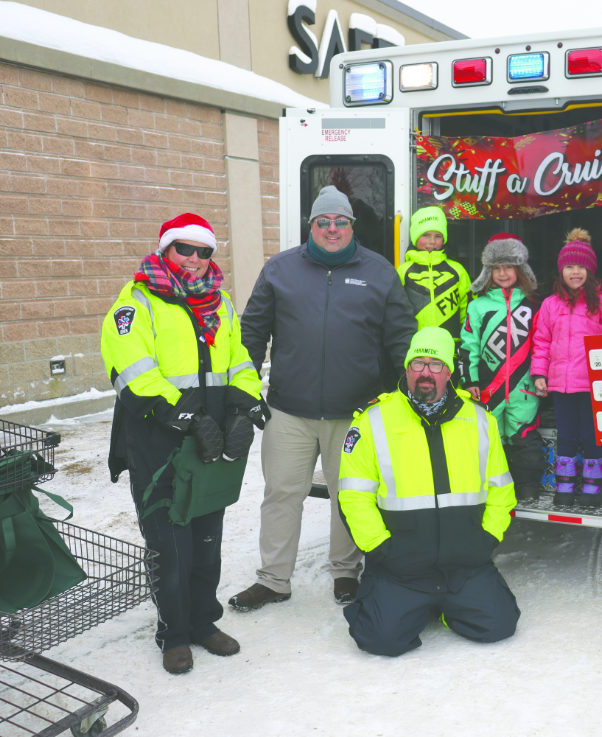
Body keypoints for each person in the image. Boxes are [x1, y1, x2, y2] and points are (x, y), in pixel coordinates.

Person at [231, 186, 417, 611]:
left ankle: (346, 572)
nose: (332, 229)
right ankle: (273, 579)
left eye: (340, 221)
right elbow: (252, 332)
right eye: (323, 221)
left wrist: (408, 391)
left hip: (356, 411)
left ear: (351, 225)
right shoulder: (279, 270)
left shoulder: (379, 271)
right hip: (288, 410)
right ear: (311, 225)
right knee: (281, 494)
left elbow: (401, 337)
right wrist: (243, 391)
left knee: (349, 494)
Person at [101, 213, 263, 674]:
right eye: (184, 248)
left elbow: (239, 360)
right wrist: (189, 417)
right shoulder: (137, 303)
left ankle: (203, 622)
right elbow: (132, 371)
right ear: (165, 249)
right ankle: (173, 633)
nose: (193, 258)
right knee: (170, 545)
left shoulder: (220, 303)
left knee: (207, 539)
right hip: (159, 443)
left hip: (211, 444)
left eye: (203, 251)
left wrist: (244, 407)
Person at [339, 327, 520, 656]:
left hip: (464, 564)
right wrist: (382, 549)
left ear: (448, 372)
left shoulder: (480, 419)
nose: (425, 372)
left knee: (499, 625)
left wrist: (487, 540)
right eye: (417, 363)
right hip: (401, 567)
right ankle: (417, 604)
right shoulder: (371, 420)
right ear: (406, 368)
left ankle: (443, 608)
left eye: (436, 364)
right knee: (381, 640)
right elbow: (354, 497)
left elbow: (501, 489)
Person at [530, 229, 602, 508]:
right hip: (562, 384)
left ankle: (593, 485)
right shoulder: (550, 305)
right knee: (567, 435)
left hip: (596, 385)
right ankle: (565, 484)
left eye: (581, 267)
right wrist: (540, 373)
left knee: (593, 435)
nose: (575, 272)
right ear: (560, 271)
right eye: (569, 267)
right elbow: (541, 341)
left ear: (591, 270)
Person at [461, 233, 545, 501]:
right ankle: (492, 486)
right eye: (496, 268)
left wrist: (542, 375)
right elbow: (468, 346)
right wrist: (470, 381)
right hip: (488, 389)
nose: (503, 273)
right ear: (487, 271)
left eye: (509, 266)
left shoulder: (535, 305)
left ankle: (527, 485)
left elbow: (543, 344)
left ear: (521, 269)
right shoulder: (477, 306)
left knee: (523, 436)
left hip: (525, 388)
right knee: (489, 437)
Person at [397, 206, 472, 344]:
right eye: (425, 235)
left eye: (438, 236)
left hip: (450, 344)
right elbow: (396, 312)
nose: (432, 241)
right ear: (415, 237)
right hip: (415, 345)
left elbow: (467, 310)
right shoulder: (403, 271)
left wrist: (464, 342)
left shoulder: (457, 270)